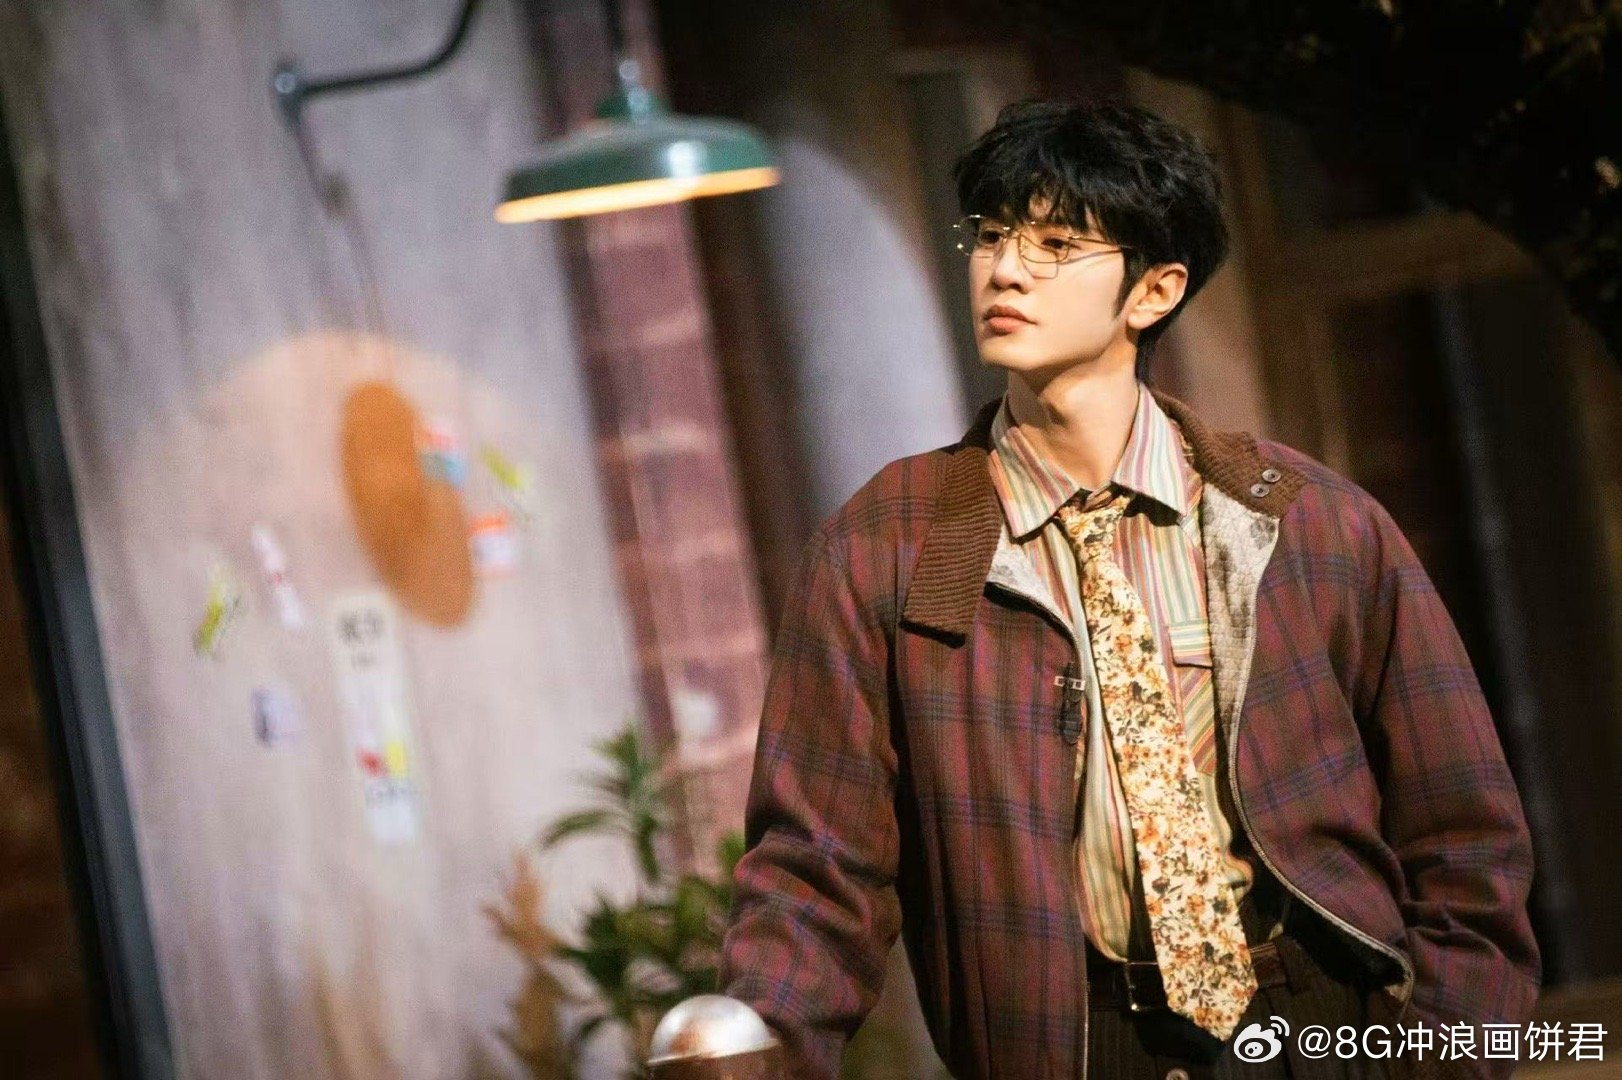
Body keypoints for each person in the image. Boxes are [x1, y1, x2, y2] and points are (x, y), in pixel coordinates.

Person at [716, 98, 1539, 1079]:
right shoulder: (889, 547)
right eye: (990, 235)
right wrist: (755, 1045)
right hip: (1070, 1044)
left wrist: (1446, 1054)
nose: (1004, 270)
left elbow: (1461, 832)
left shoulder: (1307, 526)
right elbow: (817, 866)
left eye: (1056, 244)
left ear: (1153, 290)